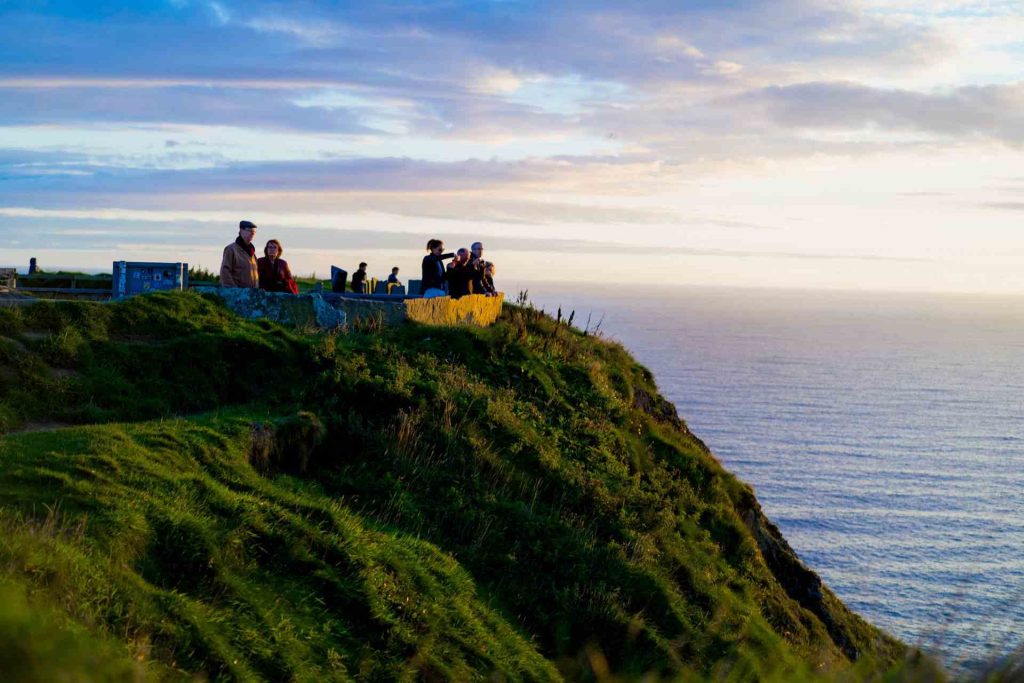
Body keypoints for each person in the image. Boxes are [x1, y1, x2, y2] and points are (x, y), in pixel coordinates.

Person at [220, 220, 259, 288]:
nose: (252, 234)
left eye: (254, 232)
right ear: (241, 231)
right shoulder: (231, 249)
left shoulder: (253, 254)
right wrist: (235, 291)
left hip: (252, 295)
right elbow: (225, 272)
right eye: (250, 231)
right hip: (238, 295)